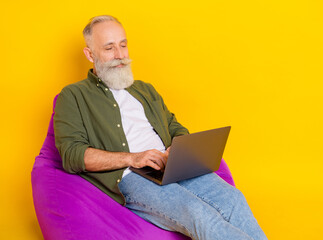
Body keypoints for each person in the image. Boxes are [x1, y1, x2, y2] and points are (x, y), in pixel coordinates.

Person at [54, 15, 267, 240]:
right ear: (90, 54)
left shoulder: (145, 89)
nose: (120, 55)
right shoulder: (73, 96)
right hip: (131, 176)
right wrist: (133, 158)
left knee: (234, 199)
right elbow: (72, 155)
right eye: (109, 48)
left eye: (123, 45)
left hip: (171, 164)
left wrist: (178, 150)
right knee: (197, 212)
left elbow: (174, 126)